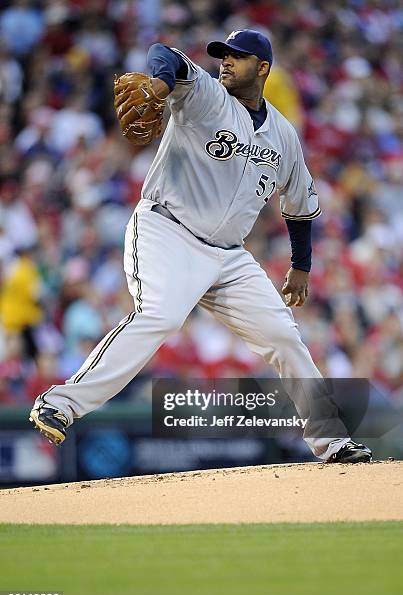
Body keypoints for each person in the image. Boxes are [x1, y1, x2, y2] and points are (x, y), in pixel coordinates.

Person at [30, 29, 372, 463]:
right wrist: (156, 86)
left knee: (283, 336)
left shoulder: (284, 136)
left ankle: (333, 441)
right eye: (222, 55)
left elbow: (301, 206)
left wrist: (300, 267)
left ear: (263, 68)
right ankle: (60, 403)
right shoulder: (205, 94)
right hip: (167, 229)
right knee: (159, 315)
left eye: (238, 57)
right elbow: (163, 54)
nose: (226, 62)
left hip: (229, 255)